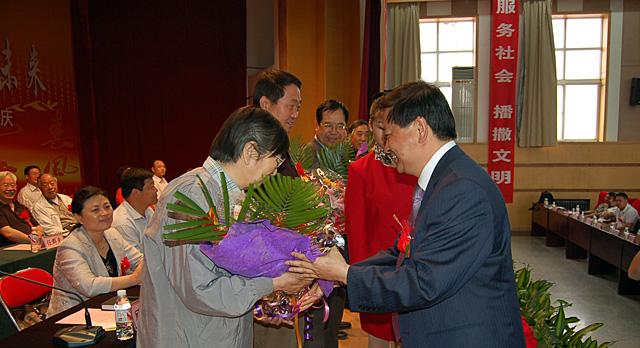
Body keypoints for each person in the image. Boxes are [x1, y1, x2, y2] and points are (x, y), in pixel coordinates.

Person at [288, 81, 525, 347]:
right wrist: (339, 273)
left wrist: (345, 275)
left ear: (420, 129)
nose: (385, 147)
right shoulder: (444, 180)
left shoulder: (461, 189)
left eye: (389, 136)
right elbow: (402, 253)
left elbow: (425, 281)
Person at [138, 106, 312, 348]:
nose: (275, 171)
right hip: (190, 335)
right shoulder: (190, 196)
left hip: (220, 331)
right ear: (250, 151)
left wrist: (263, 300)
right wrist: (274, 283)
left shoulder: (229, 195)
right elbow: (198, 289)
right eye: (276, 159)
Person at [344, 95, 416, 347]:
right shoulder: (360, 170)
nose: (385, 133)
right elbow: (357, 232)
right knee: (378, 340)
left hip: (415, 272)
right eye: (379, 126)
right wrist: (361, 279)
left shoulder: (416, 166)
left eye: (391, 125)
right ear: (370, 126)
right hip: (378, 273)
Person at [46, 186, 144, 317]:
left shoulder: (112, 234)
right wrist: (134, 278)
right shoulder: (70, 246)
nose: (104, 213)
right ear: (78, 217)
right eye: (95, 210)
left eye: (107, 207)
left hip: (110, 306)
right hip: (74, 315)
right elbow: (89, 286)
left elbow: (140, 259)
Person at [253, 69, 302, 177]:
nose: (295, 115)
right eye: (291, 106)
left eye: (298, 108)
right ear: (265, 104)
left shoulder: (277, 140)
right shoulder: (253, 146)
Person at [111, 168, 157, 252]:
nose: (156, 190)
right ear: (135, 193)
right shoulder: (123, 222)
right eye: (151, 187)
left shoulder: (148, 210)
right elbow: (136, 259)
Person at [0, 171, 43, 246]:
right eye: (5, 185)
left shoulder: (21, 206)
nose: (10, 189)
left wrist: (39, 234)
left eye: (13, 185)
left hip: (31, 244)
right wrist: (32, 240)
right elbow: (8, 233)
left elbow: (38, 226)